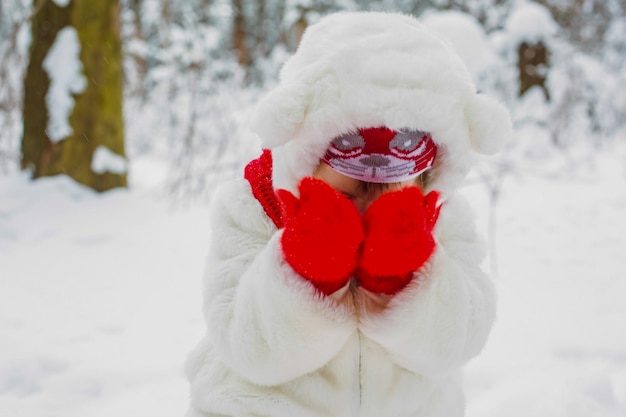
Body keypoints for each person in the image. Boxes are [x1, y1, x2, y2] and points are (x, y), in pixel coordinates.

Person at [185, 11, 512, 417]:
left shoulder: (445, 218)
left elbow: (459, 341)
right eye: (352, 187)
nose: (369, 201)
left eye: (392, 189)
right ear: (307, 151)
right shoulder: (255, 207)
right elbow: (246, 346)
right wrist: (306, 273)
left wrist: (402, 280)